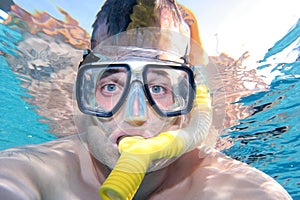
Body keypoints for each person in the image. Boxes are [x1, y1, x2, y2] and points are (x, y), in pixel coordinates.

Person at [0, 1, 292, 200]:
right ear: (84, 90)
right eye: (111, 85)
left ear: (187, 97)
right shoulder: (33, 173)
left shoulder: (237, 188)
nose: (135, 115)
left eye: (159, 87)